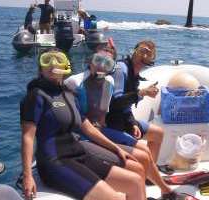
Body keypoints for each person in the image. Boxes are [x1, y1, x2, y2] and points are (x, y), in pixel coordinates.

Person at [65, 43, 188, 199]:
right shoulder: (74, 83)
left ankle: (149, 189)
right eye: (98, 60)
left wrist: (131, 122)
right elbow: (78, 121)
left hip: (101, 130)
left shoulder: (108, 81)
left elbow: (103, 117)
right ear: (90, 60)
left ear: (112, 66)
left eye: (107, 63)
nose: (102, 66)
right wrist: (112, 145)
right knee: (142, 155)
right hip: (85, 134)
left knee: (146, 150)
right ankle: (162, 191)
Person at [20, 48, 146, 200]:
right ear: (40, 68)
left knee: (135, 181)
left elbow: (86, 127)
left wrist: (116, 148)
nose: (52, 64)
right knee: (114, 198)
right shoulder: (36, 96)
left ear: (66, 65)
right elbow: (28, 137)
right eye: (46, 60)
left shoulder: (68, 93)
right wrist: (27, 175)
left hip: (78, 153)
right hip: (55, 162)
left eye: (58, 59)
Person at [106, 40, 165, 163]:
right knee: (143, 151)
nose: (144, 55)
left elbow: (126, 108)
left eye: (149, 54)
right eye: (142, 50)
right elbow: (116, 103)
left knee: (158, 133)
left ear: (151, 59)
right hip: (111, 122)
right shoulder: (121, 69)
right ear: (135, 51)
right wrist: (142, 93)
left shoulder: (135, 74)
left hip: (124, 120)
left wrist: (132, 123)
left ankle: (149, 175)